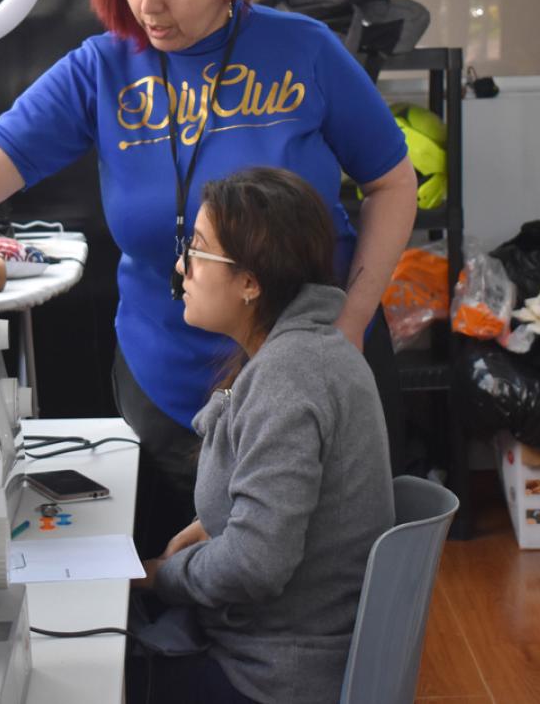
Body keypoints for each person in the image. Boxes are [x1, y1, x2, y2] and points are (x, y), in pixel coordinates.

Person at [0, 0, 416, 550]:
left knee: (317, 581)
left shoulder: (303, 51)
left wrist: (352, 322)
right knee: (181, 588)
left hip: (316, 363)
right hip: (168, 380)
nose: (148, 3)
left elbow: (393, 184)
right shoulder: (104, 67)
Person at [127, 166, 394, 704]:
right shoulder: (311, 350)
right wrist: (208, 528)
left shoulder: (289, 378)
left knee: (78, 675)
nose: (181, 267)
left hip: (274, 678)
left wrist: (162, 575)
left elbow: (255, 564)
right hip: (284, 652)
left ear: (251, 283)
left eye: (198, 252)